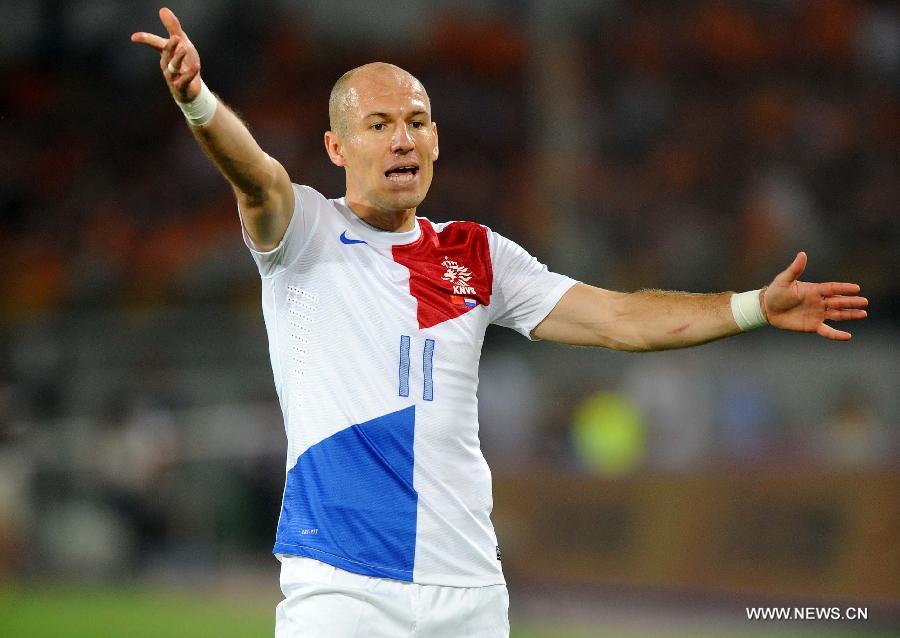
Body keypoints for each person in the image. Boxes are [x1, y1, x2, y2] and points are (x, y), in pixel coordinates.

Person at [131, 8, 868, 638]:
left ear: (437, 139)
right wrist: (196, 98)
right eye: (379, 124)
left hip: (470, 591)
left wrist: (752, 307)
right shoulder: (303, 232)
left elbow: (618, 318)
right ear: (336, 147)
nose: (402, 140)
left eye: (417, 122)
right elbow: (252, 172)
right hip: (341, 588)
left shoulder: (478, 255)